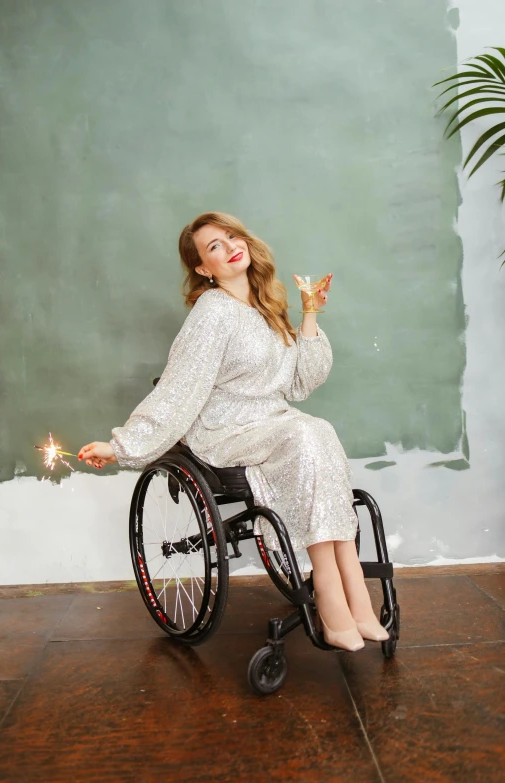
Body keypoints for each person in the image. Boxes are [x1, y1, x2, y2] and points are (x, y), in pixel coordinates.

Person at [79, 211, 388, 651]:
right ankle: (335, 603)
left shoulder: (267, 305)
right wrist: (121, 446)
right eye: (214, 247)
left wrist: (310, 313)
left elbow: (301, 383)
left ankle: (354, 598)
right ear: (204, 268)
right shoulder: (212, 312)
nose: (229, 247)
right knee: (306, 435)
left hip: (276, 421)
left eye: (230, 236)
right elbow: (180, 387)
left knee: (317, 429)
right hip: (225, 430)